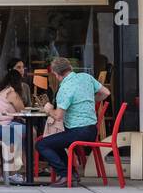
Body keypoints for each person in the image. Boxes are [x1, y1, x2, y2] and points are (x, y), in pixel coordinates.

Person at [35, 57, 109, 185]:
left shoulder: (65, 88)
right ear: (70, 67)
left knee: (42, 144)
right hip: (92, 130)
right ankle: (71, 173)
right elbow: (106, 93)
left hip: (77, 131)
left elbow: (58, 116)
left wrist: (48, 109)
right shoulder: (86, 77)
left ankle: (64, 175)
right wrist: (89, 100)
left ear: (57, 74)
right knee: (54, 142)